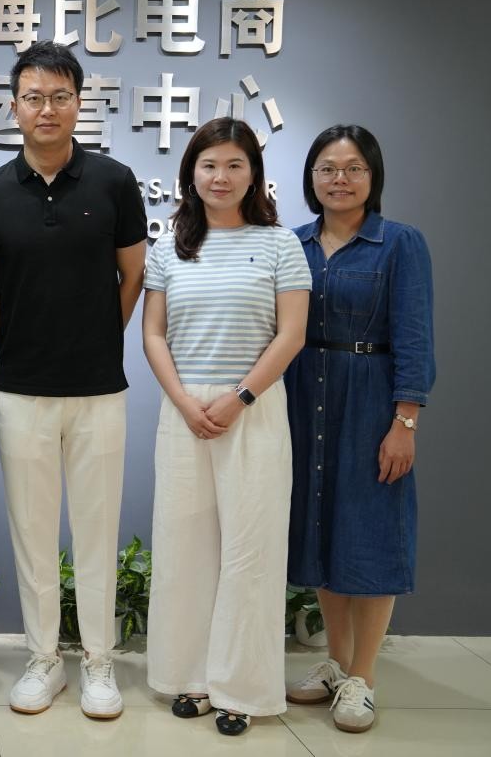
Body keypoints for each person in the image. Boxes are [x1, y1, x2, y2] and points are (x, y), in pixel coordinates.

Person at [0, 40, 146, 718]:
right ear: (14, 106)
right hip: (21, 390)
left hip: (99, 389)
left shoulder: (114, 181)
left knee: (97, 531)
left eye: (60, 96)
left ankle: (98, 662)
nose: (47, 109)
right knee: (32, 533)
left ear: (78, 103)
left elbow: (132, 276)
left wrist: (96, 337)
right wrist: (20, 343)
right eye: (34, 97)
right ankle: (44, 659)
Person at [142, 117, 310, 736]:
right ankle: (190, 677)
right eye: (209, 164)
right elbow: (153, 333)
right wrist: (185, 402)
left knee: (251, 550)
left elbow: (291, 334)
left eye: (235, 165)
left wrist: (239, 397)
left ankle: (241, 687)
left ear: (253, 175)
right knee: (184, 546)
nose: (221, 176)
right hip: (184, 412)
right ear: (191, 172)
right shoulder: (169, 247)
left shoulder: (280, 244)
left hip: (254, 410)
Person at [284, 125, 434, 734]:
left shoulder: (399, 243)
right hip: (304, 395)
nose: (339, 179)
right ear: (311, 177)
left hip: (370, 400)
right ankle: (337, 663)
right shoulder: (293, 243)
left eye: (353, 169)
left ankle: (363, 678)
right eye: (327, 168)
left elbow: (415, 337)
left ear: (373, 177)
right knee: (322, 529)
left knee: (369, 531)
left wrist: (405, 421)